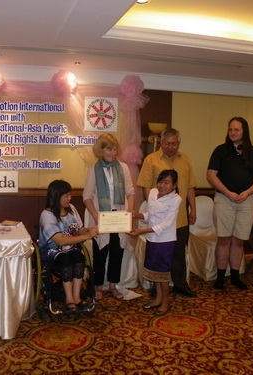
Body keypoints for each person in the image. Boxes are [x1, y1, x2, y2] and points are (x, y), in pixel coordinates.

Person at [207, 116, 253, 290]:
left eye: (236, 129)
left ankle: (235, 277)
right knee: (224, 239)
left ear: (244, 132)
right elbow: (211, 175)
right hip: (224, 200)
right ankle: (220, 278)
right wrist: (228, 193)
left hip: (246, 201)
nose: (232, 132)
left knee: (239, 241)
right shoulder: (220, 150)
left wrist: (247, 192)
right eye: (230, 129)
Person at [137, 128, 197, 298]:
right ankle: (156, 288)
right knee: (158, 254)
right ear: (161, 142)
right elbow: (145, 186)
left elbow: (191, 186)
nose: (171, 147)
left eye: (174, 143)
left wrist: (193, 208)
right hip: (159, 218)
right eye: (167, 143)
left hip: (180, 217)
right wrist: (156, 206)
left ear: (179, 143)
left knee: (178, 253)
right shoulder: (151, 160)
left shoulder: (185, 159)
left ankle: (180, 285)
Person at [83, 134, 135, 300]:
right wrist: (96, 217)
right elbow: (87, 197)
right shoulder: (93, 169)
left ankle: (113, 285)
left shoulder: (124, 168)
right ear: (101, 150)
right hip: (101, 216)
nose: (112, 152)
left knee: (117, 252)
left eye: (114, 149)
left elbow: (130, 192)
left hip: (119, 217)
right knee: (100, 252)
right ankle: (98, 286)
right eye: (108, 149)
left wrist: (131, 211)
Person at [38, 180, 99, 313]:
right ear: (56, 196)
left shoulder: (71, 209)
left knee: (79, 258)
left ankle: (77, 297)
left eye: (69, 195)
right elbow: (60, 241)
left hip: (71, 249)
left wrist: (90, 230)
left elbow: (79, 229)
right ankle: (69, 299)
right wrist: (86, 236)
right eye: (66, 196)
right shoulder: (47, 215)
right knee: (65, 260)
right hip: (52, 253)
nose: (69, 198)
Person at [129, 169, 181, 316]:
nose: (162, 185)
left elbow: (166, 224)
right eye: (160, 181)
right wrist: (137, 215)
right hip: (152, 239)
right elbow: (150, 215)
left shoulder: (176, 200)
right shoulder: (152, 193)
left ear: (174, 185)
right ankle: (158, 299)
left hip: (165, 241)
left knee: (162, 274)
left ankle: (166, 301)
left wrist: (141, 231)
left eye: (167, 182)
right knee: (155, 272)